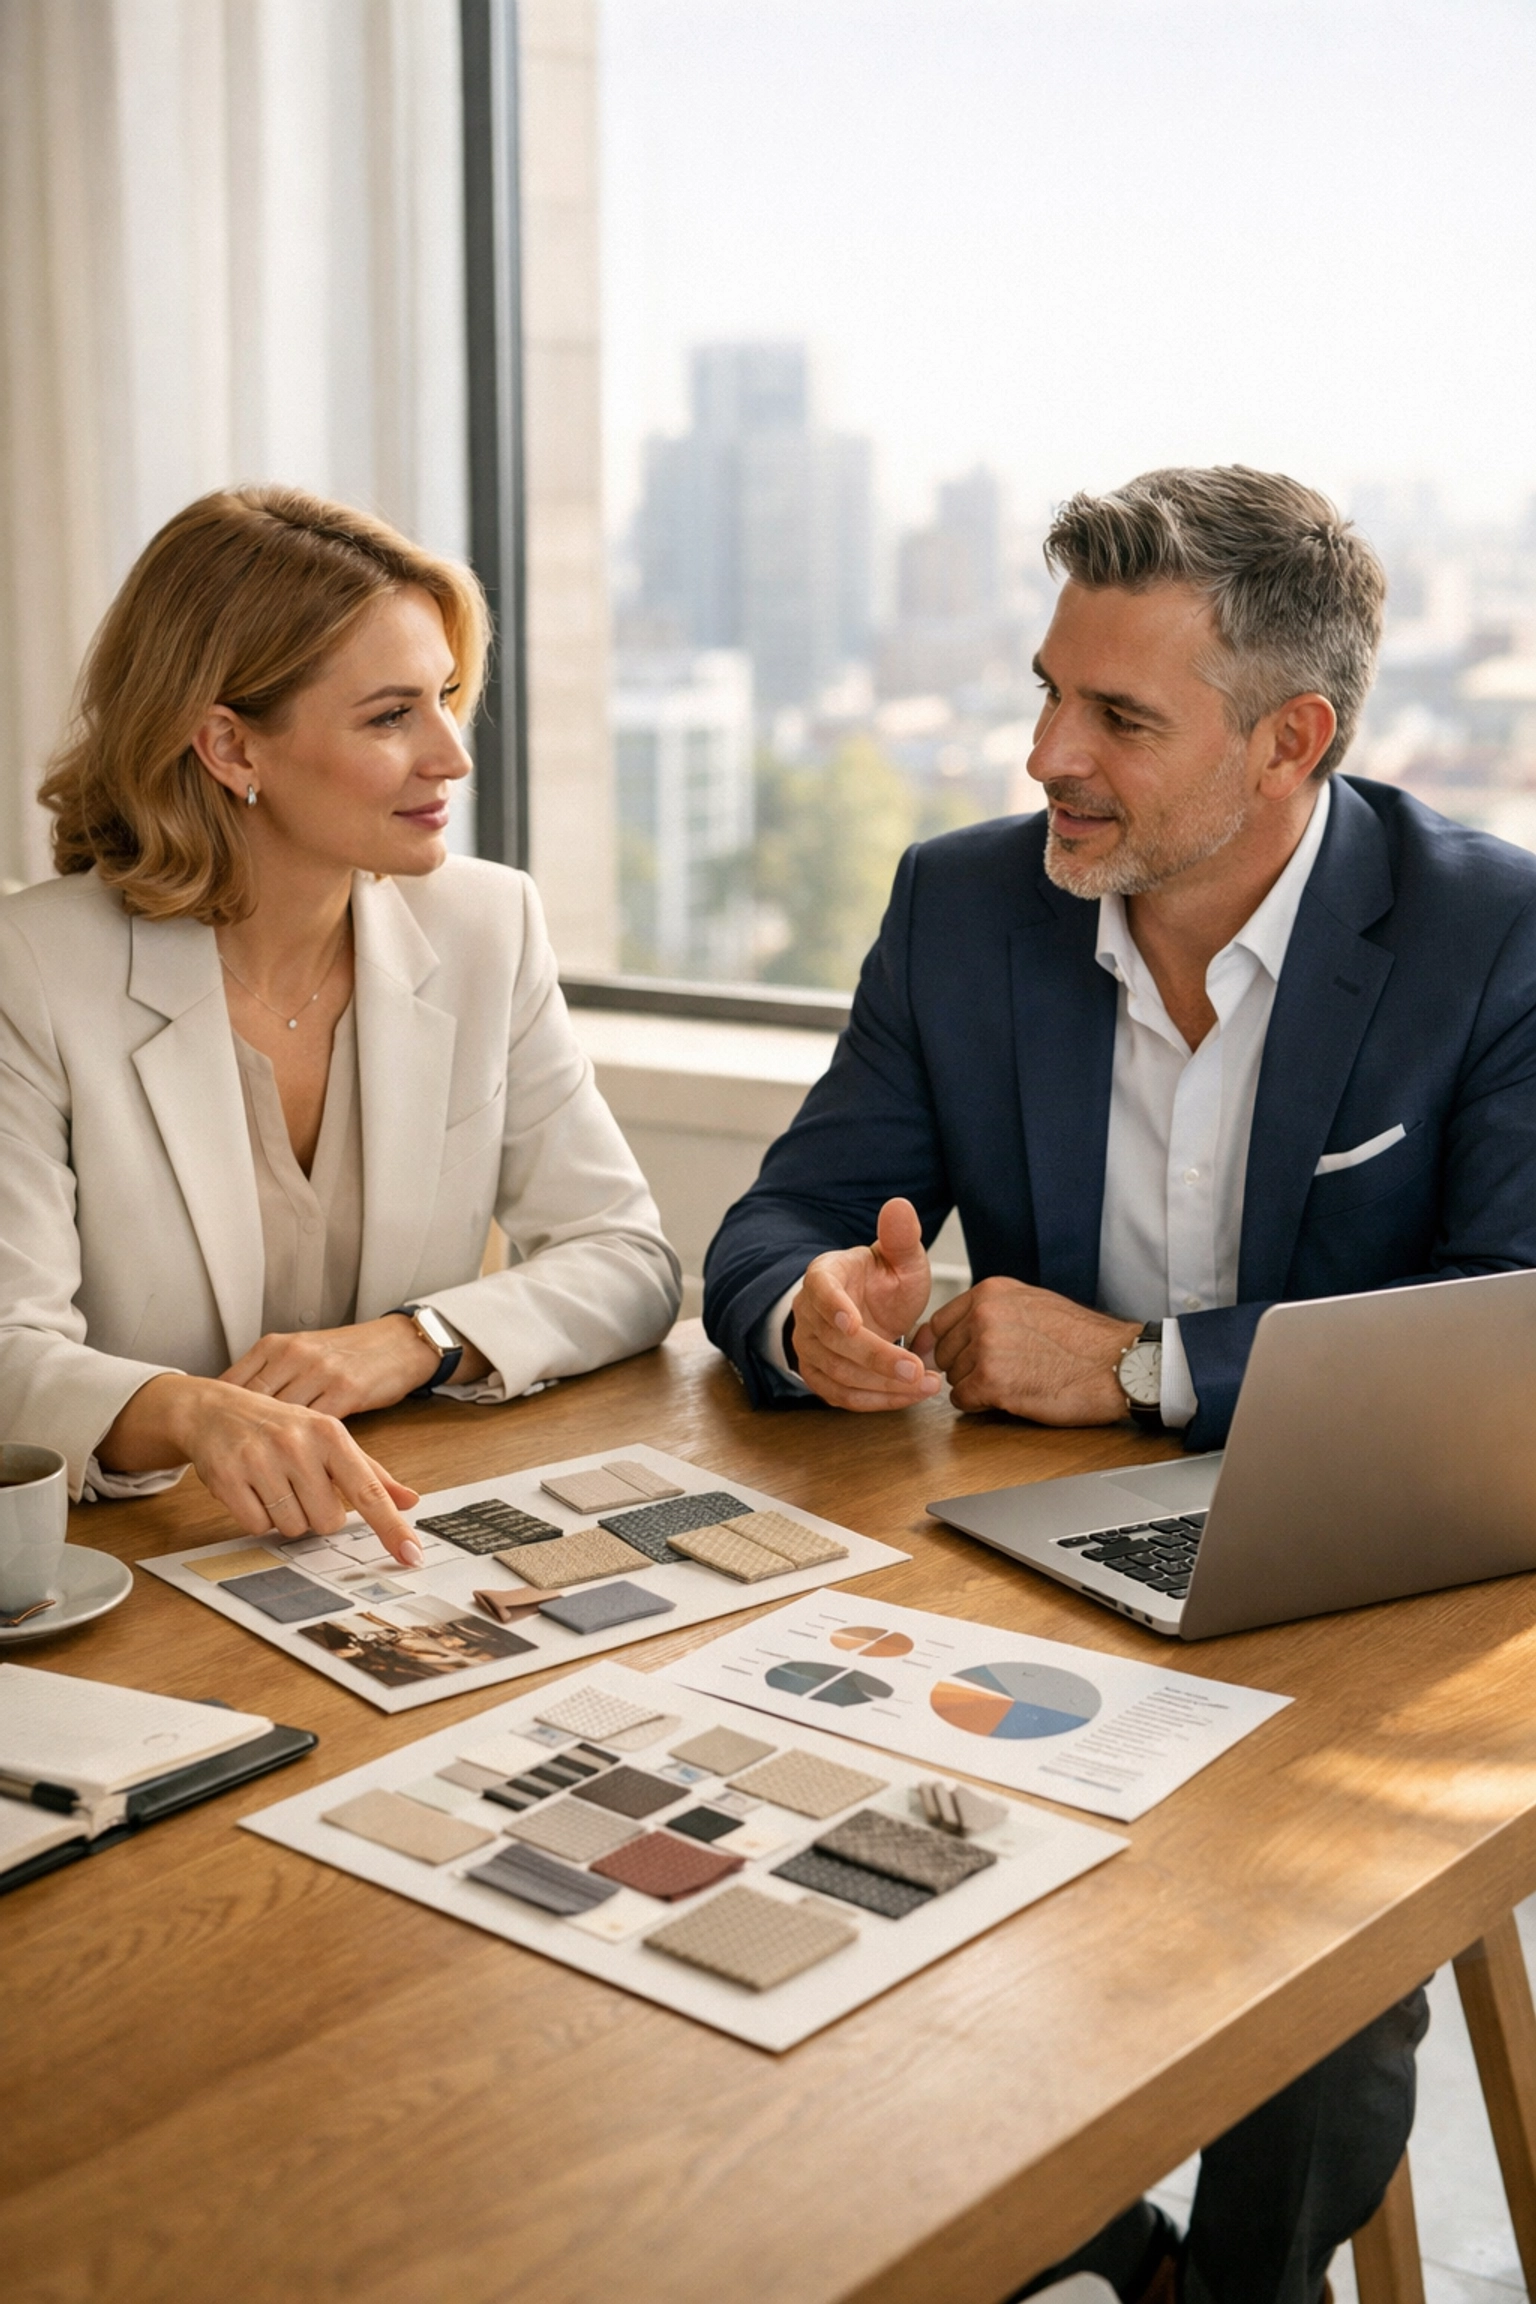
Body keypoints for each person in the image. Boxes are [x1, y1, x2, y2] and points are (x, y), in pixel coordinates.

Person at [703, 466, 1536, 2304]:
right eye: (1045, 690)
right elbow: (778, 1213)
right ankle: (1088, 2260)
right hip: (1012, 1572)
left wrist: (1147, 1369)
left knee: (1319, 1953)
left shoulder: (1489, 930)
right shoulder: (959, 907)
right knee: (821, 1885)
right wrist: (811, 1307)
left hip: (1351, 1586)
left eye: (1118, 717)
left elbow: (1516, 1317)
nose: (1043, 753)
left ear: (1289, 739)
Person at [0, 485, 680, 1567]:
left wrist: (416, 1341)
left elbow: (628, 1259)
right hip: (134, 1568)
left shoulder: (485, 924)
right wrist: (189, 1413)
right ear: (230, 747)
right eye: (390, 715)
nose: (452, 756)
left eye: (447, 697)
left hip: (388, 1543)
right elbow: (6, 1352)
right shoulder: (33, 970)